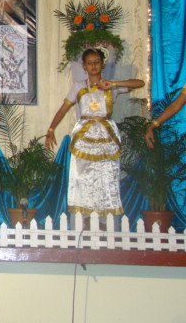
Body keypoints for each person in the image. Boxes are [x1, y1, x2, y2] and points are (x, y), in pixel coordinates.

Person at [45, 48, 144, 224]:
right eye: (89, 63)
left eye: (97, 62)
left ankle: (105, 220)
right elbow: (63, 109)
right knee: (82, 175)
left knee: (106, 174)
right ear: (84, 66)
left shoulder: (111, 86)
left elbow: (139, 83)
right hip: (84, 135)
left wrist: (113, 84)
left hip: (106, 135)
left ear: (103, 64)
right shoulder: (79, 86)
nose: (93, 66)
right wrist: (51, 130)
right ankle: (84, 218)